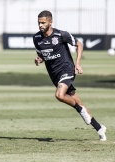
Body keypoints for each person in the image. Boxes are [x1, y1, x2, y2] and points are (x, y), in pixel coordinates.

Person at [32, 10, 106, 141]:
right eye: (39, 23)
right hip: (54, 75)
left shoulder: (61, 34)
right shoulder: (36, 38)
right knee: (77, 102)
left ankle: (80, 110)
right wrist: (39, 59)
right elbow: (42, 54)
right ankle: (99, 127)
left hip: (67, 69)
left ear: (50, 21)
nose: (40, 25)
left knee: (59, 95)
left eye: (43, 22)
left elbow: (79, 44)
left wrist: (77, 64)